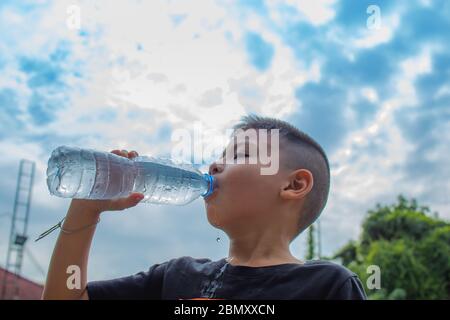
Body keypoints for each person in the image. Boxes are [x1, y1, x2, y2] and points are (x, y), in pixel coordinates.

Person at [42, 115, 366, 300]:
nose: (214, 165)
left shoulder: (327, 286)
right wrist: (85, 211)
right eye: (220, 157)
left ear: (294, 185)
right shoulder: (175, 277)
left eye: (239, 155)